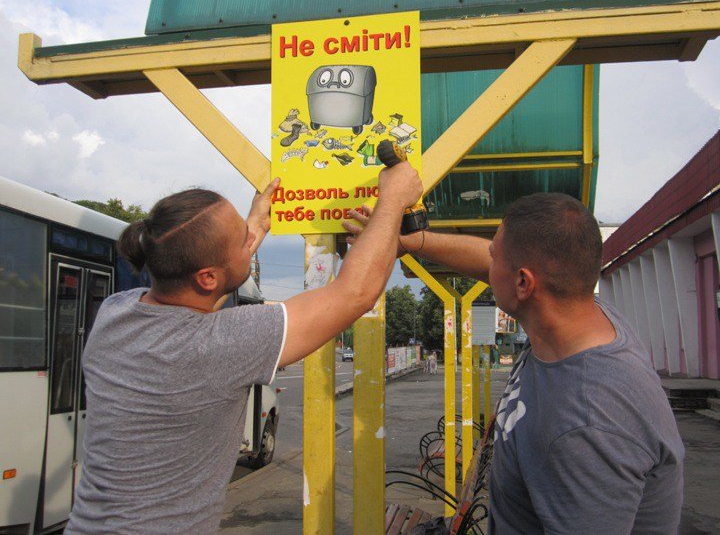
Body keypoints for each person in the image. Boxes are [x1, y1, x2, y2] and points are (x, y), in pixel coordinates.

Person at [66, 162, 422, 534]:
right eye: (243, 241)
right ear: (207, 276)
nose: (250, 243)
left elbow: (201, 297)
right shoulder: (218, 344)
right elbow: (355, 294)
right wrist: (392, 200)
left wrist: (256, 224)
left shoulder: (116, 311)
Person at [344, 193, 684, 533]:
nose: (488, 264)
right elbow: (493, 264)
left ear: (522, 283)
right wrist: (409, 242)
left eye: (495, 256)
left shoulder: (586, 425)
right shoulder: (581, 315)